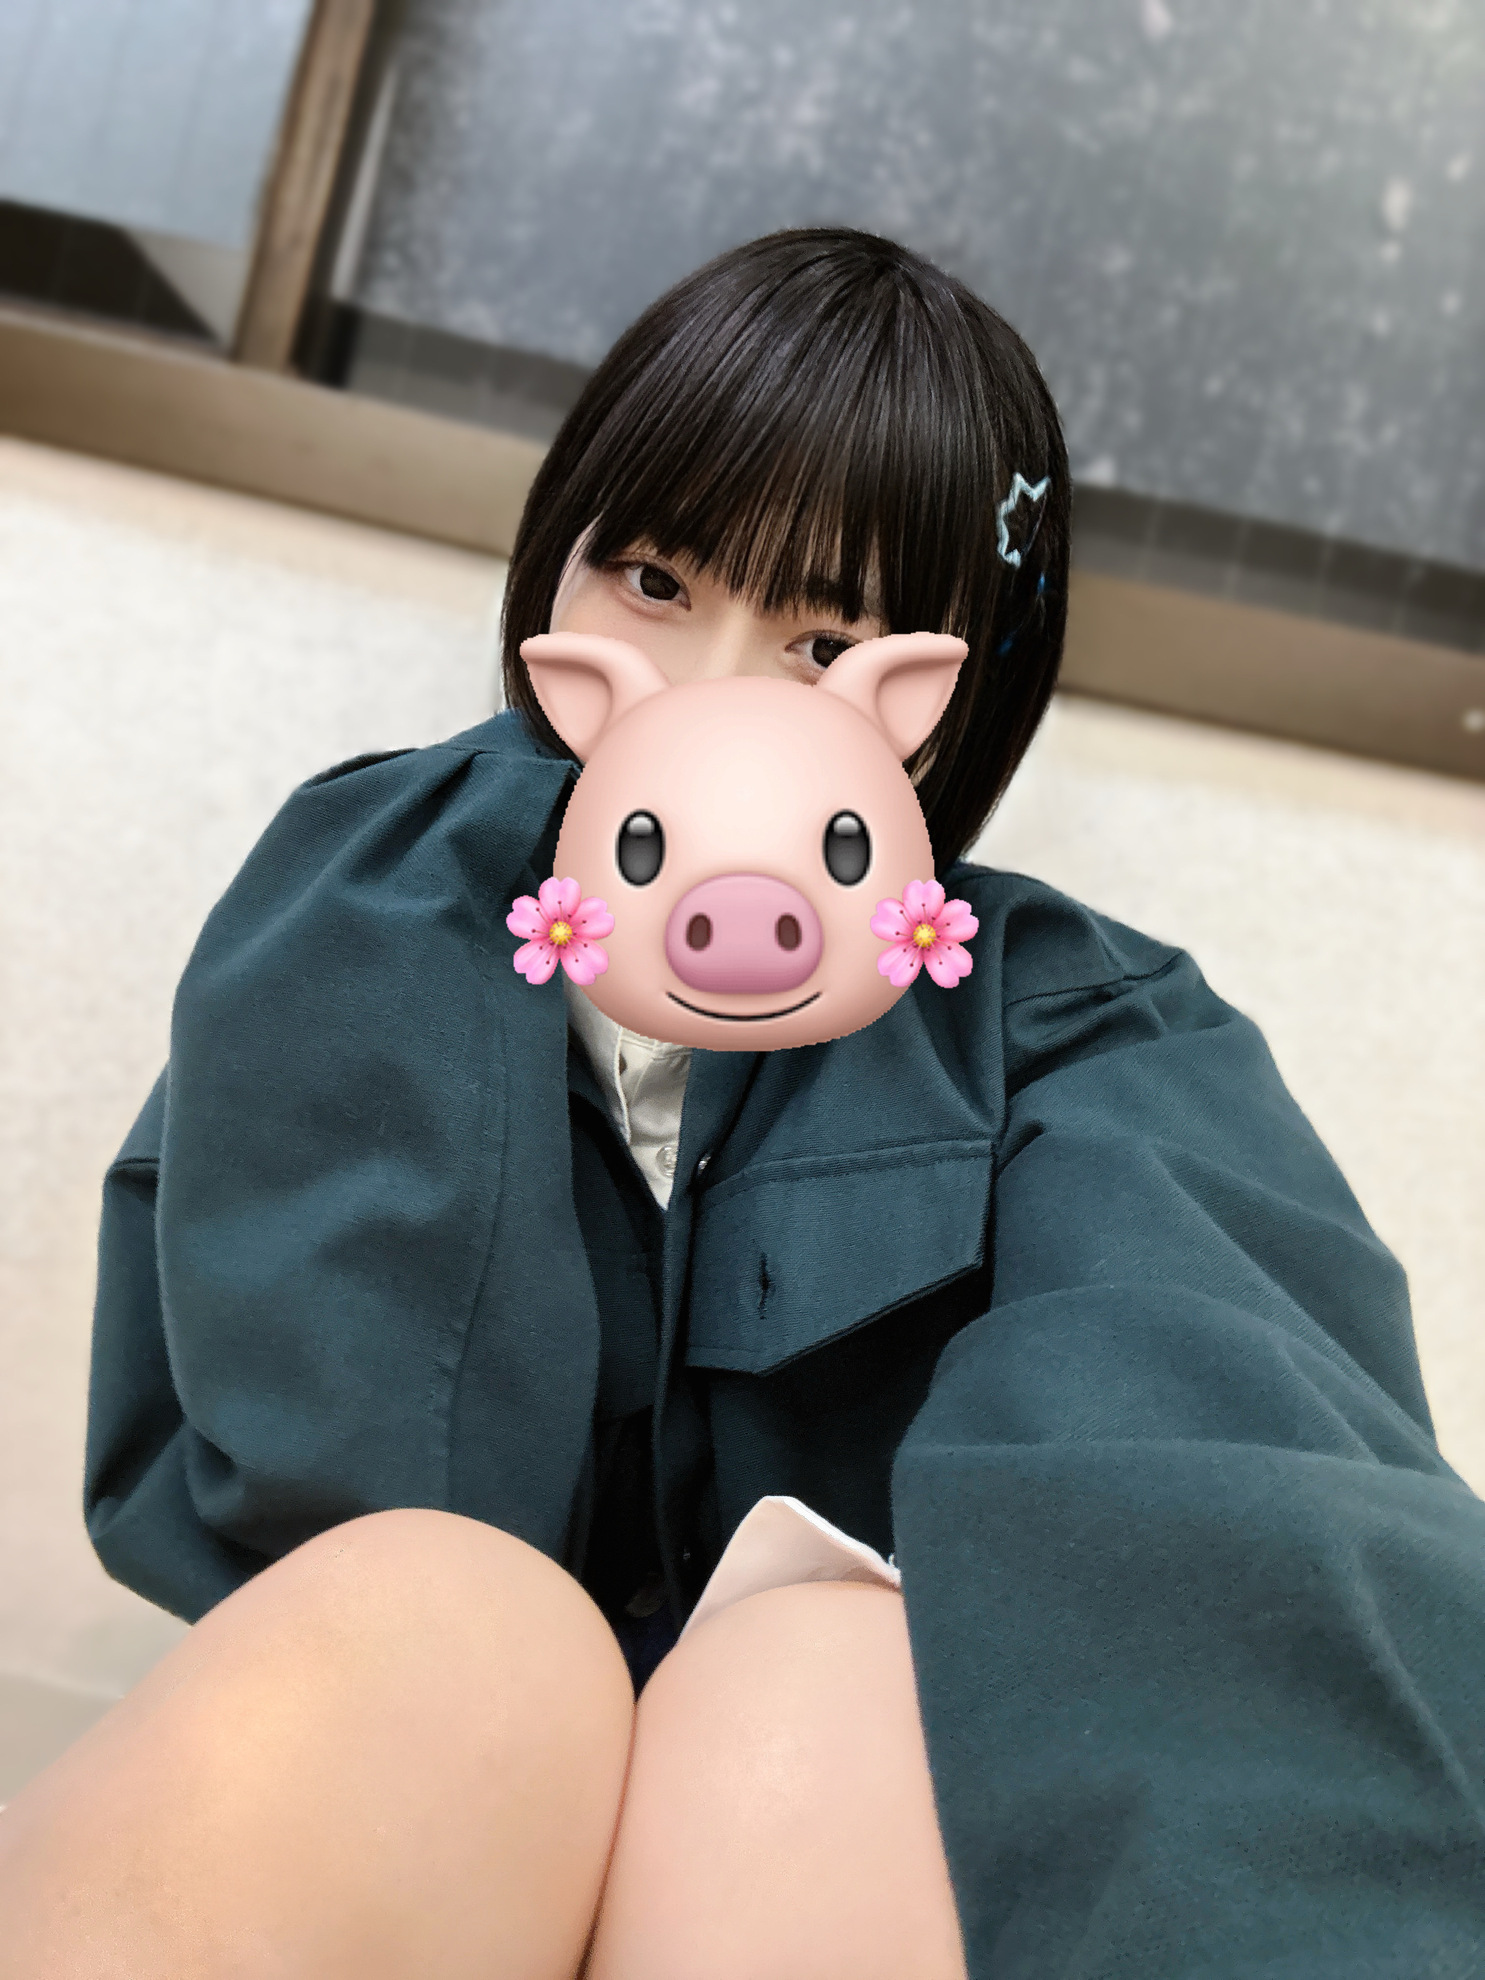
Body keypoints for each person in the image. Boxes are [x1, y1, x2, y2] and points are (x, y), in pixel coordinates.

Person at [2, 228, 1482, 1978]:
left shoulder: (1080, 1028)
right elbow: (287, 1497)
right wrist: (434, 893)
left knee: (821, 1683)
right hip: (415, 1818)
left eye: (820, 639)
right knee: (444, 1626)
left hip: (826, 1855)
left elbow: (1226, 1492)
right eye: (649, 577)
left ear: (936, 701)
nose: (708, 688)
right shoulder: (377, 898)